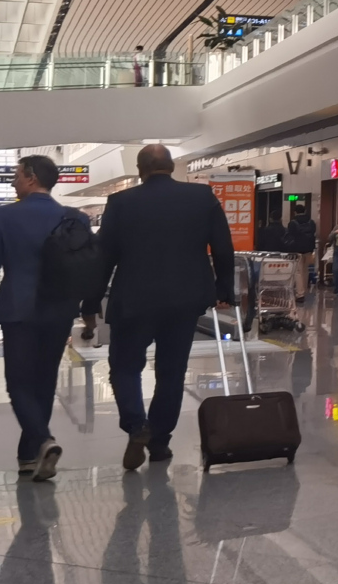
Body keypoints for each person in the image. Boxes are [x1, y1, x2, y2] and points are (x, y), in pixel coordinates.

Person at [96, 144, 237, 471]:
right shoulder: (202, 197)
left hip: (133, 299)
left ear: (140, 169)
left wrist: (90, 300)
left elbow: (104, 256)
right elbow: (223, 246)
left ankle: (136, 425)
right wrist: (224, 289)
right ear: (172, 167)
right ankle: (159, 442)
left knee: (124, 367)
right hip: (184, 300)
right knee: (171, 372)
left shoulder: (120, 202)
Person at [0, 155, 89, 480]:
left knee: (18, 383)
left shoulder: (3, 216)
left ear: (31, 177)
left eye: (17, 176)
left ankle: (43, 440)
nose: (13, 182)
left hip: (18, 309)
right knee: (45, 381)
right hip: (60, 309)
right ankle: (28, 456)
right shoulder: (75, 217)